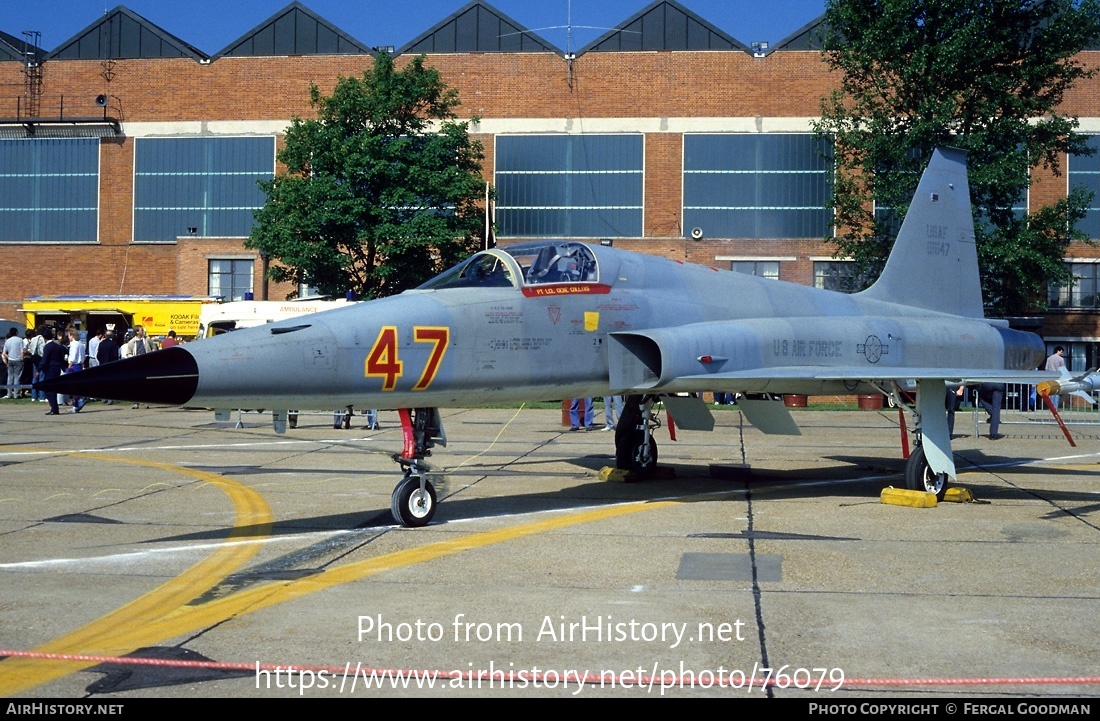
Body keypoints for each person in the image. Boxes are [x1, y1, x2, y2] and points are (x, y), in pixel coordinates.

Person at [37, 328, 65, 415]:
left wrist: (39, 369)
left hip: (50, 368)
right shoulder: (57, 346)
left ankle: (54, 408)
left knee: (48, 388)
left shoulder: (47, 347)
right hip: (57, 368)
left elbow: (45, 360)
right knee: (53, 388)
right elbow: (61, 357)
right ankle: (54, 407)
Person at [65, 326, 86, 412]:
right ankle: (76, 404)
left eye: (69, 335)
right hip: (80, 365)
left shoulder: (74, 345)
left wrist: (69, 365)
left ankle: (79, 401)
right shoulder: (81, 344)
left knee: (72, 385)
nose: (68, 337)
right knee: (76, 385)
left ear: (72, 335)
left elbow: (73, 357)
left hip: (74, 365)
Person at [2, 327, 24, 399]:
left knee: (10, 376)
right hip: (18, 360)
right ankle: (16, 394)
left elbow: (4, 353)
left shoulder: (7, 341)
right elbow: (22, 351)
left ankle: (9, 393)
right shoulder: (20, 340)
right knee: (17, 377)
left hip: (11, 360)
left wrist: (9, 357)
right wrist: (22, 358)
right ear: (17, 333)